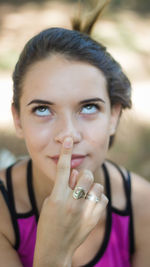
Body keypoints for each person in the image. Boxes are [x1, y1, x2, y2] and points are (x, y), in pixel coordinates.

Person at [0, 1, 150, 267]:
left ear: (113, 116)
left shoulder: (143, 207)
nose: (68, 136)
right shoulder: (3, 212)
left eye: (89, 107)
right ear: (18, 120)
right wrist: (54, 253)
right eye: (43, 109)